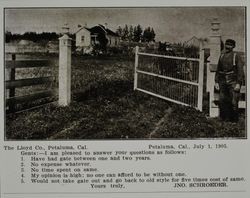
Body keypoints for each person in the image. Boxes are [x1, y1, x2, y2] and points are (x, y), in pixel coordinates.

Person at [214, 39, 244, 122]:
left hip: (233, 81)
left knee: (234, 102)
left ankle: (234, 121)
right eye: (226, 44)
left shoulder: (236, 55)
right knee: (223, 100)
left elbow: (240, 71)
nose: (227, 46)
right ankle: (225, 119)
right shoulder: (222, 55)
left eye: (230, 45)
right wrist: (216, 81)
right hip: (222, 81)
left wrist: (238, 83)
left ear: (233, 47)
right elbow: (218, 70)